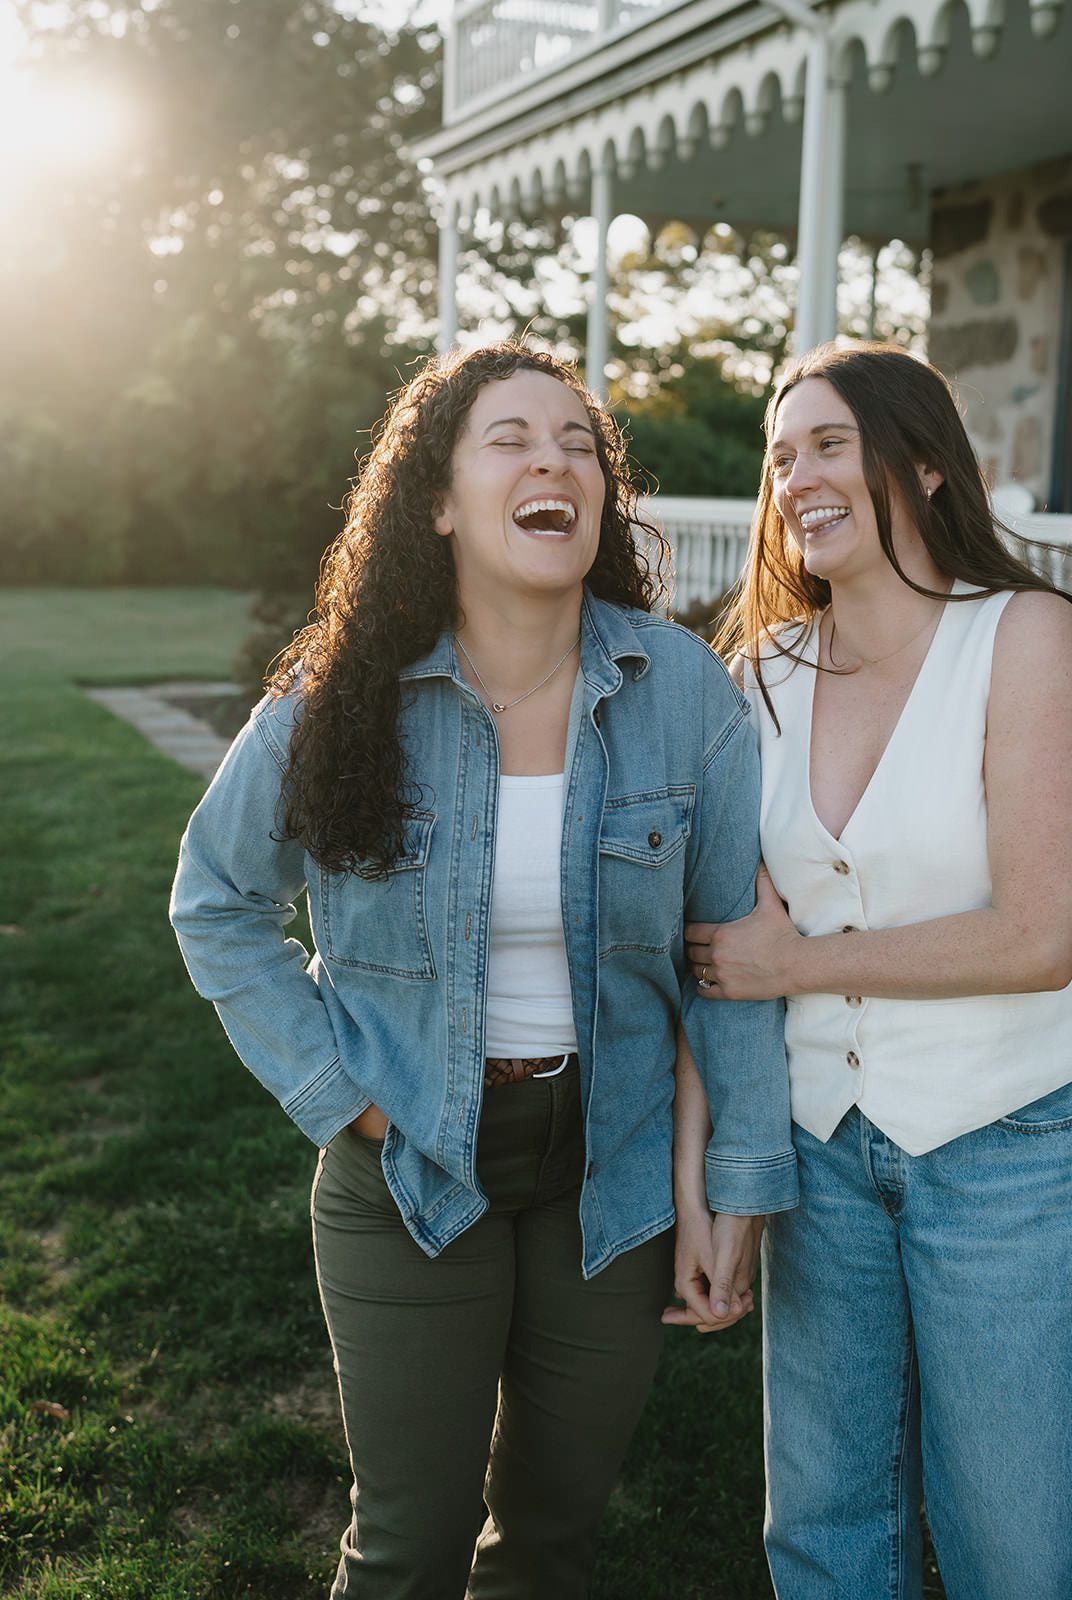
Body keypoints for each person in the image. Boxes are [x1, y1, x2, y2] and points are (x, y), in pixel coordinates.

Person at [170, 341, 797, 1600]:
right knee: (405, 1546)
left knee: (553, 1544)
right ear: (440, 501)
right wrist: (345, 1096)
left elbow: (728, 953)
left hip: (608, 1178)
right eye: (508, 438)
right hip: (408, 1167)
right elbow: (215, 901)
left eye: (576, 442)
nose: (552, 459)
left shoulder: (678, 689)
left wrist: (734, 1186)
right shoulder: (337, 693)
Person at [683, 341, 1072, 1600]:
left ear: (922, 462)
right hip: (822, 1162)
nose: (795, 477)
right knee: (826, 1538)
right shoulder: (754, 679)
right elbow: (721, 965)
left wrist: (799, 962)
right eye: (780, 456)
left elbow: (1039, 936)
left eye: (828, 443)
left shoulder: (1025, 637)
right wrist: (722, 1177)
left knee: (1014, 1552)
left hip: (1015, 1152)